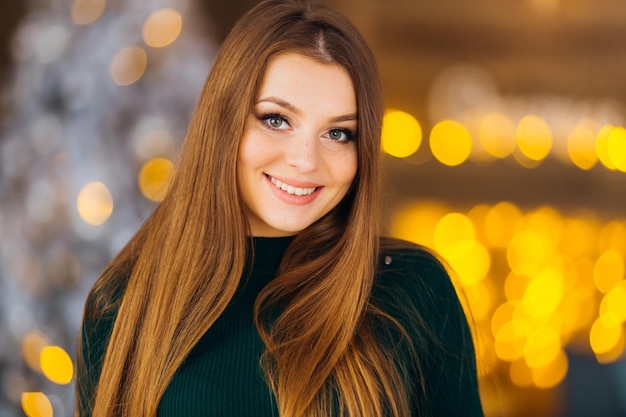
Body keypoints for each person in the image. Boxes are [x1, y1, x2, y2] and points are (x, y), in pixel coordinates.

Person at [75, 0, 485, 416]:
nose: (306, 160)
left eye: (338, 133)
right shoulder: (124, 303)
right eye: (276, 120)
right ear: (223, 122)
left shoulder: (414, 292)